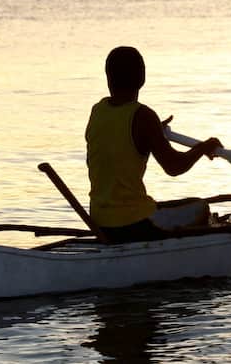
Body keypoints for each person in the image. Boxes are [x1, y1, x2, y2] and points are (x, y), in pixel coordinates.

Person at [86, 46, 223, 243]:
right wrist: (202, 147)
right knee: (200, 207)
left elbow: (117, 140)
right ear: (142, 79)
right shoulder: (143, 116)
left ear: (108, 77)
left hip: (100, 221)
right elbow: (174, 167)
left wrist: (154, 132)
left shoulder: (97, 111)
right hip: (133, 223)